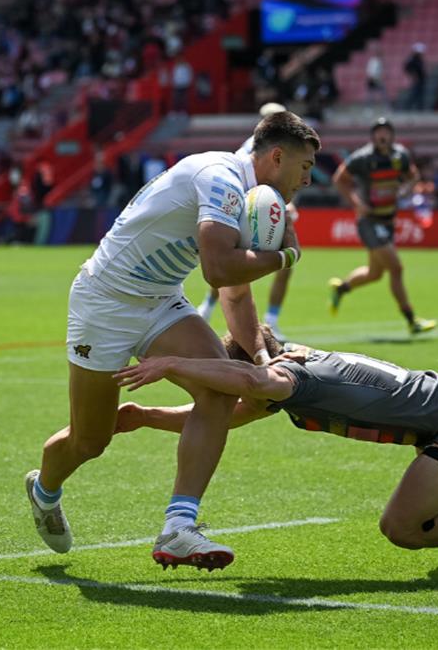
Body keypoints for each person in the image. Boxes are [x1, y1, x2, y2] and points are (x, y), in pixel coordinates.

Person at [26, 110, 321, 571]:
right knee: (90, 439)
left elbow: (234, 293)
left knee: (221, 388)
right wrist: (285, 256)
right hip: (103, 302)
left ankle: (179, 528)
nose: (306, 180)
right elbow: (219, 269)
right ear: (277, 157)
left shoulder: (252, 197)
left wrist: (260, 356)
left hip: (160, 301)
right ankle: (44, 488)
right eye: (304, 168)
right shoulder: (221, 178)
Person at [112, 327, 438, 578]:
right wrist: (146, 416)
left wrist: (170, 365)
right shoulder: (288, 369)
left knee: (403, 528)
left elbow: (252, 387)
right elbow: (228, 416)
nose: (226, 399)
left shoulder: (287, 379)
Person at [197, 103, 298, 338]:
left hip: (266, 211)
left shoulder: (282, 151)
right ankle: (216, 311)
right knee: (233, 265)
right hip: (245, 213)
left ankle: (270, 321)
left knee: (284, 265)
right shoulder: (249, 151)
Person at [328, 118, 436, 335]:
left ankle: (341, 288)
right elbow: (339, 179)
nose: (382, 136)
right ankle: (411, 319)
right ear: (373, 136)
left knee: (375, 273)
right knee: (396, 268)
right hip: (369, 222)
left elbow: (413, 175)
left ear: (392, 135)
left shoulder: (400, 155)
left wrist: (407, 189)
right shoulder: (363, 157)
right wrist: (357, 203)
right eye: (378, 132)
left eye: (386, 131)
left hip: (388, 220)